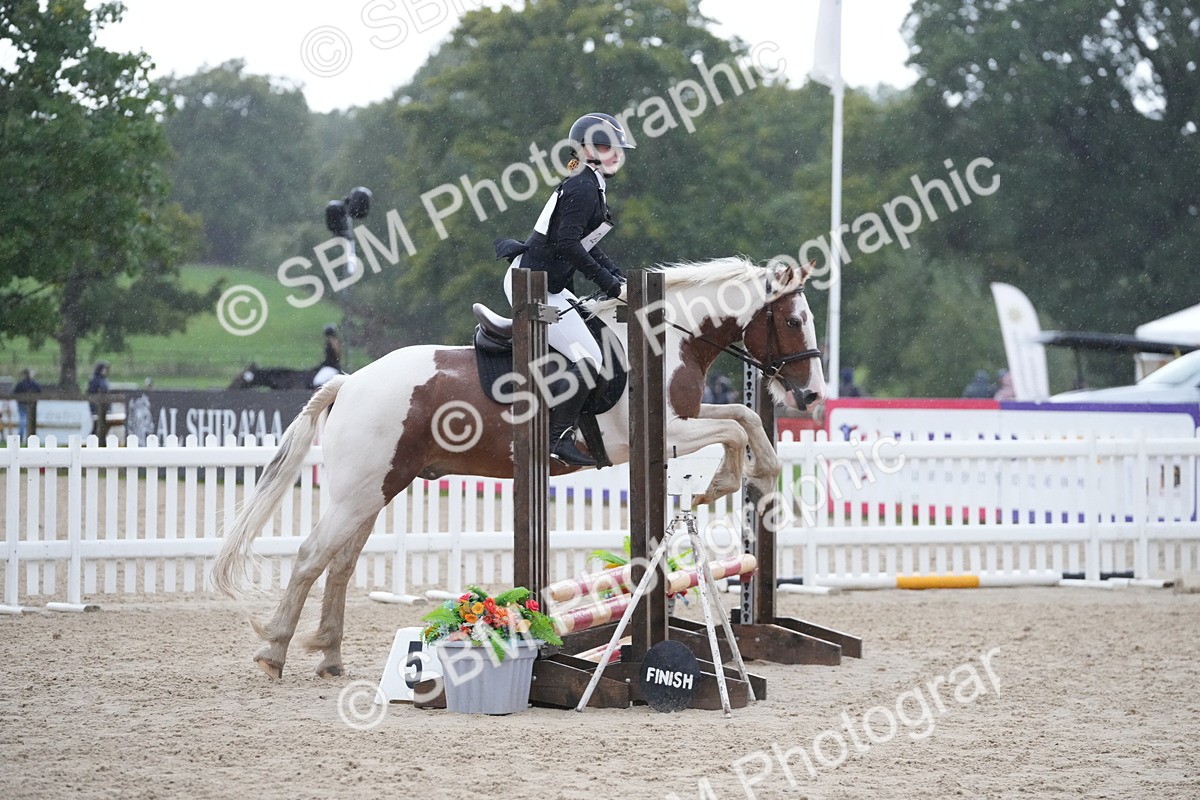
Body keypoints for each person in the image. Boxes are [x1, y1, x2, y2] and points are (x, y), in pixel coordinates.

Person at [493, 112, 635, 467]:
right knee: (588, 360)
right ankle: (556, 435)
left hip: (550, 285)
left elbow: (587, 244)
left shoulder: (589, 183)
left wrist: (619, 278)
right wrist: (609, 283)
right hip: (534, 287)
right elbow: (568, 244)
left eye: (617, 147)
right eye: (604, 146)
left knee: (596, 343)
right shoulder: (583, 186)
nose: (614, 154)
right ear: (584, 149)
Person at [14, 368, 41, 442]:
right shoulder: (33, 384)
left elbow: (15, 393)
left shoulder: (20, 384)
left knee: (23, 420)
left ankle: (21, 436)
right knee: (31, 421)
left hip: (22, 404)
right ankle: (31, 437)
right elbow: (39, 391)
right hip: (32, 405)